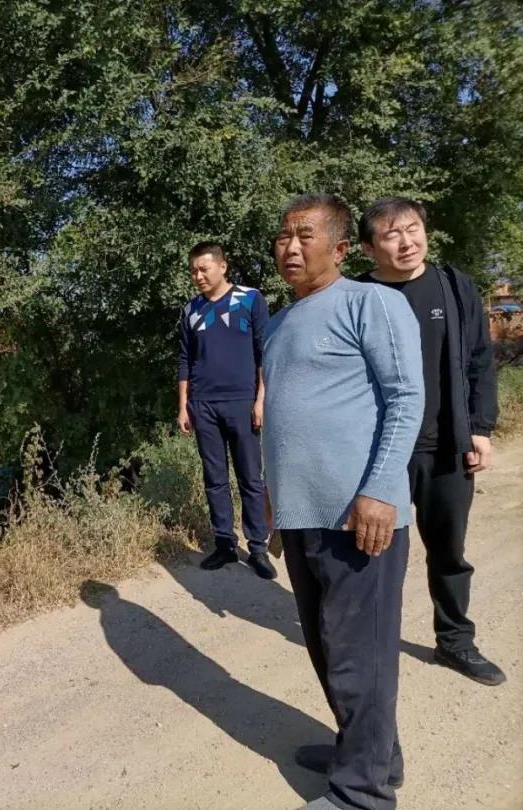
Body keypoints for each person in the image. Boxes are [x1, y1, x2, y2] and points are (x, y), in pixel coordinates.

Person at [262, 195, 423, 810]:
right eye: (283, 236)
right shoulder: (278, 322)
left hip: (360, 517)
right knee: (328, 649)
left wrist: (380, 489)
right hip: (303, 516)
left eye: (305, 235)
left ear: (340, 248)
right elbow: (282, 421)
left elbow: (406, 397)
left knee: (361, 658)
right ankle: (371, 753)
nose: (290, 247)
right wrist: (275, 504)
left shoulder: (370, 302)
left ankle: (362, 794)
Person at [357, 197, 504, 686]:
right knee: (373, 555)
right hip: (380, 454)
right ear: (368, 247)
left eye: (413, 229)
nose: (407, 242)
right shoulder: (357, 296)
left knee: (448, 551)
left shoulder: (454, 286)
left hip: (445, 447)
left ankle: (455, 641)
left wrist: (480, 428)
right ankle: (370, 644)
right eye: (391, 234)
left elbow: (480, 360)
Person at [177, 241, 275, 579]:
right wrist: (183, 406)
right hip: (203, 404)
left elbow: (264, 352)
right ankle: (224, 544)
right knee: (214, 478)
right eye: (193, 271)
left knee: (250, 476)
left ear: (223, 266)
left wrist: (261, 399)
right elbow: (185, 360)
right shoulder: (191, 310)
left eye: (204, 269)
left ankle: (258, 547)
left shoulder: (250, 299)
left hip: (242, 401)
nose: (198, 276)